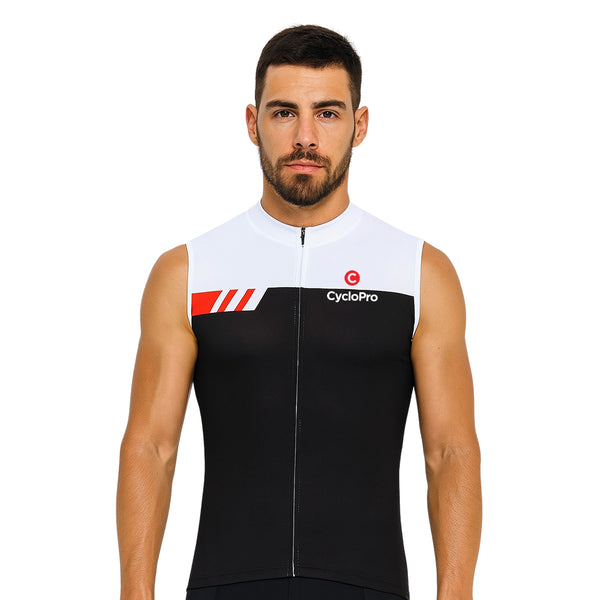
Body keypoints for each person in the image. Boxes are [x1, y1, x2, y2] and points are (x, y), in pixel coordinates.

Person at [116, 24, 482, 600]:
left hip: (369, 587)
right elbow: (151, 448)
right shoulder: (188, 271)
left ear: (359, 126)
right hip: (226, 586)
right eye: (284, 112)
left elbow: (449, 453)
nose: (305, 137)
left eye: (328, 114)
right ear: (252, 123)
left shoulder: (418, 272)